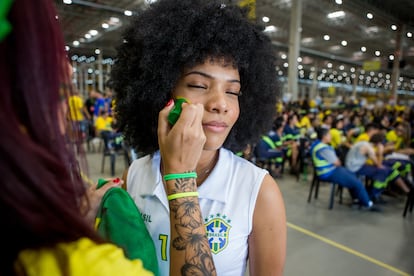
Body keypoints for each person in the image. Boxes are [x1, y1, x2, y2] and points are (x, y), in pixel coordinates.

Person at [1, 0, 214, 275]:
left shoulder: (256, 188)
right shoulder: (77, 264)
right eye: (43, 48)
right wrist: (181, 179)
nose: (66, 71)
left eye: (234, 91)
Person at [111, 0, 287, 275]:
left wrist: (179, 177)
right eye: (198, 85)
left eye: (232, 91)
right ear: (161, 93)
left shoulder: (258, 191)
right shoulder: (135, 175)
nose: (221, 103)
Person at [310, 128, 379, 211]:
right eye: (329, 135)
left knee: (352, 176)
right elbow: (337, 162)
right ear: (324, 136)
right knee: (357, 183)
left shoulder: (317, 144)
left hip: (328, 170)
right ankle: (367, 204)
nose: (331, 137)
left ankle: (357, 199)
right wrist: (337, 161)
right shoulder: (324, 149)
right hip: (329, 173)